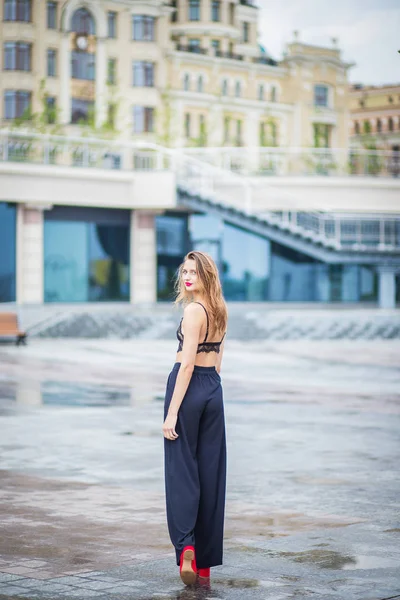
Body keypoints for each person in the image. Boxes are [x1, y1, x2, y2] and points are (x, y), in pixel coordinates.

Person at [163, 250, 228, 587]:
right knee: (210, 474)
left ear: (206, 276)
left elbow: (187, 364)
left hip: (187, 389)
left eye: (194, 272)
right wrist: (211, 392)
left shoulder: (193, 310)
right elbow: (217, 362)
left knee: (181, 471)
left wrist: (173, 411)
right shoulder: (220, 310)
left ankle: (187, 544)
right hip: (213, 389)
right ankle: (203, 568)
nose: (187, 277)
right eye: (184, 271)